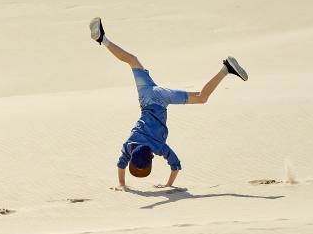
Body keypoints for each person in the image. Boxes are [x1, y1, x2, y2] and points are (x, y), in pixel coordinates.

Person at [89, 16, 248, 191]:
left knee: (202, 97)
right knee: (132, 60)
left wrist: (168, 185)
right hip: (145, 96)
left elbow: (175, 165)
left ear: (152, 156)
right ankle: (102, 39)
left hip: (160, 99)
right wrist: (121, 183)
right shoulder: (129, 145)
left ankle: (226, 69)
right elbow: (121, 164)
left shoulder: (159, 147)